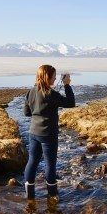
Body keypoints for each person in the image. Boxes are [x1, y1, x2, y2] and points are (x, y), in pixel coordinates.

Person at [22, 64, 75, 199]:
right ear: (47, 77)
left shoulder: (31, 92)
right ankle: (52, 196)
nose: (56, 78)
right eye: (54, 76)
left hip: (33, 133)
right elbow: (70, 103)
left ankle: (30, 196)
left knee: (32, 161)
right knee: (50, 164)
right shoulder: (52, 94)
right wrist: (67, 85)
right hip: (48, 135)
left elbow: (26, 113)